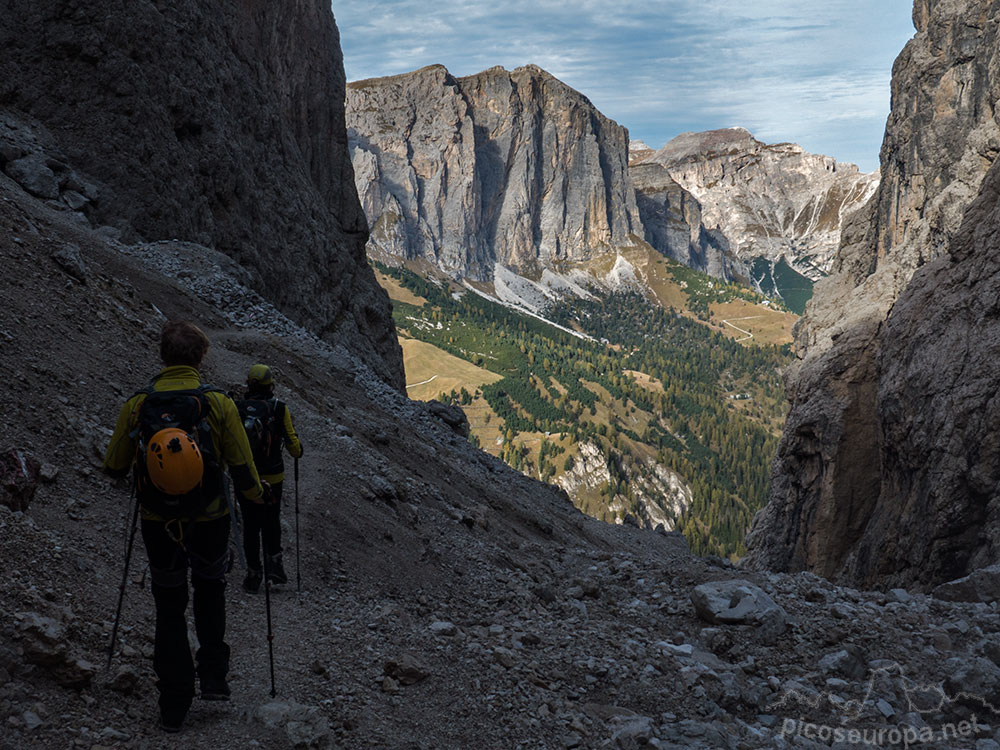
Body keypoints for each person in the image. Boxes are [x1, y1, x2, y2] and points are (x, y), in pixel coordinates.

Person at [103, 321, 265, 733]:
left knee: (169, 604)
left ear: (163, 357)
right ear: (200, 357)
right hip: (210, 517)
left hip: (159, 522)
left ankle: (173, 703)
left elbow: (114, 466)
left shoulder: (138, 405)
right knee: (210, 590)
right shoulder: (217, 403)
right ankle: (213, 677)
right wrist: (258, 498)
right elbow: (243, 468)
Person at [236, 364, 303, 593]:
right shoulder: (279, 408)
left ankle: (253, 574)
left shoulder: (239, 407)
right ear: (270, 385)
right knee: (271, 520)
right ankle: (275, 568)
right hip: (273, 476)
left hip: (246, 477)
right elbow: (293, 444)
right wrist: (298, 450)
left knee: (250, 524)